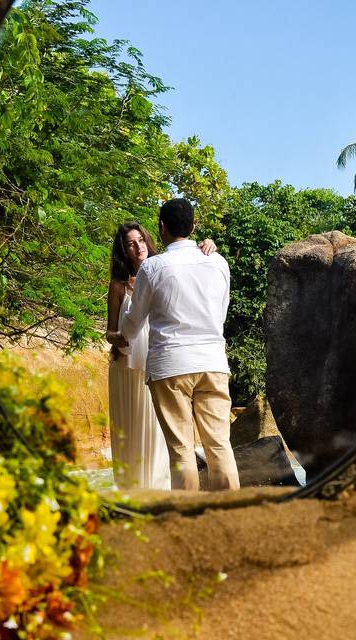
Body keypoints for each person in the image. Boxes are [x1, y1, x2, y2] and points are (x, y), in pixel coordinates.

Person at [118, 199, 240, 491]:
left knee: (181, 450)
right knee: (220, 445)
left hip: (170, 366)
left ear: (161, 228)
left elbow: (134, 322)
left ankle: (186, 520)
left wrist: (123, 329)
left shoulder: (152, 267)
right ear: (194, 226)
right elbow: (220, 314)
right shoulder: (218, 262)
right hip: (212, 361)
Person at [105, 222, 216, 490]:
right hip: (127, 367)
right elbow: (110, 331)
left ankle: (159, 488)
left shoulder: (163, 270)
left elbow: (191, 270)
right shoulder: (118, 286)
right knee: (129, 432)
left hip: (158, 362)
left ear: (148, 240)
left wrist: (209, 244)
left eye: (141, 240)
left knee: (159, 430)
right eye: (131, 243)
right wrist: (120, 340)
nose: (138, 247)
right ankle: (131, 490)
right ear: (124, 250)